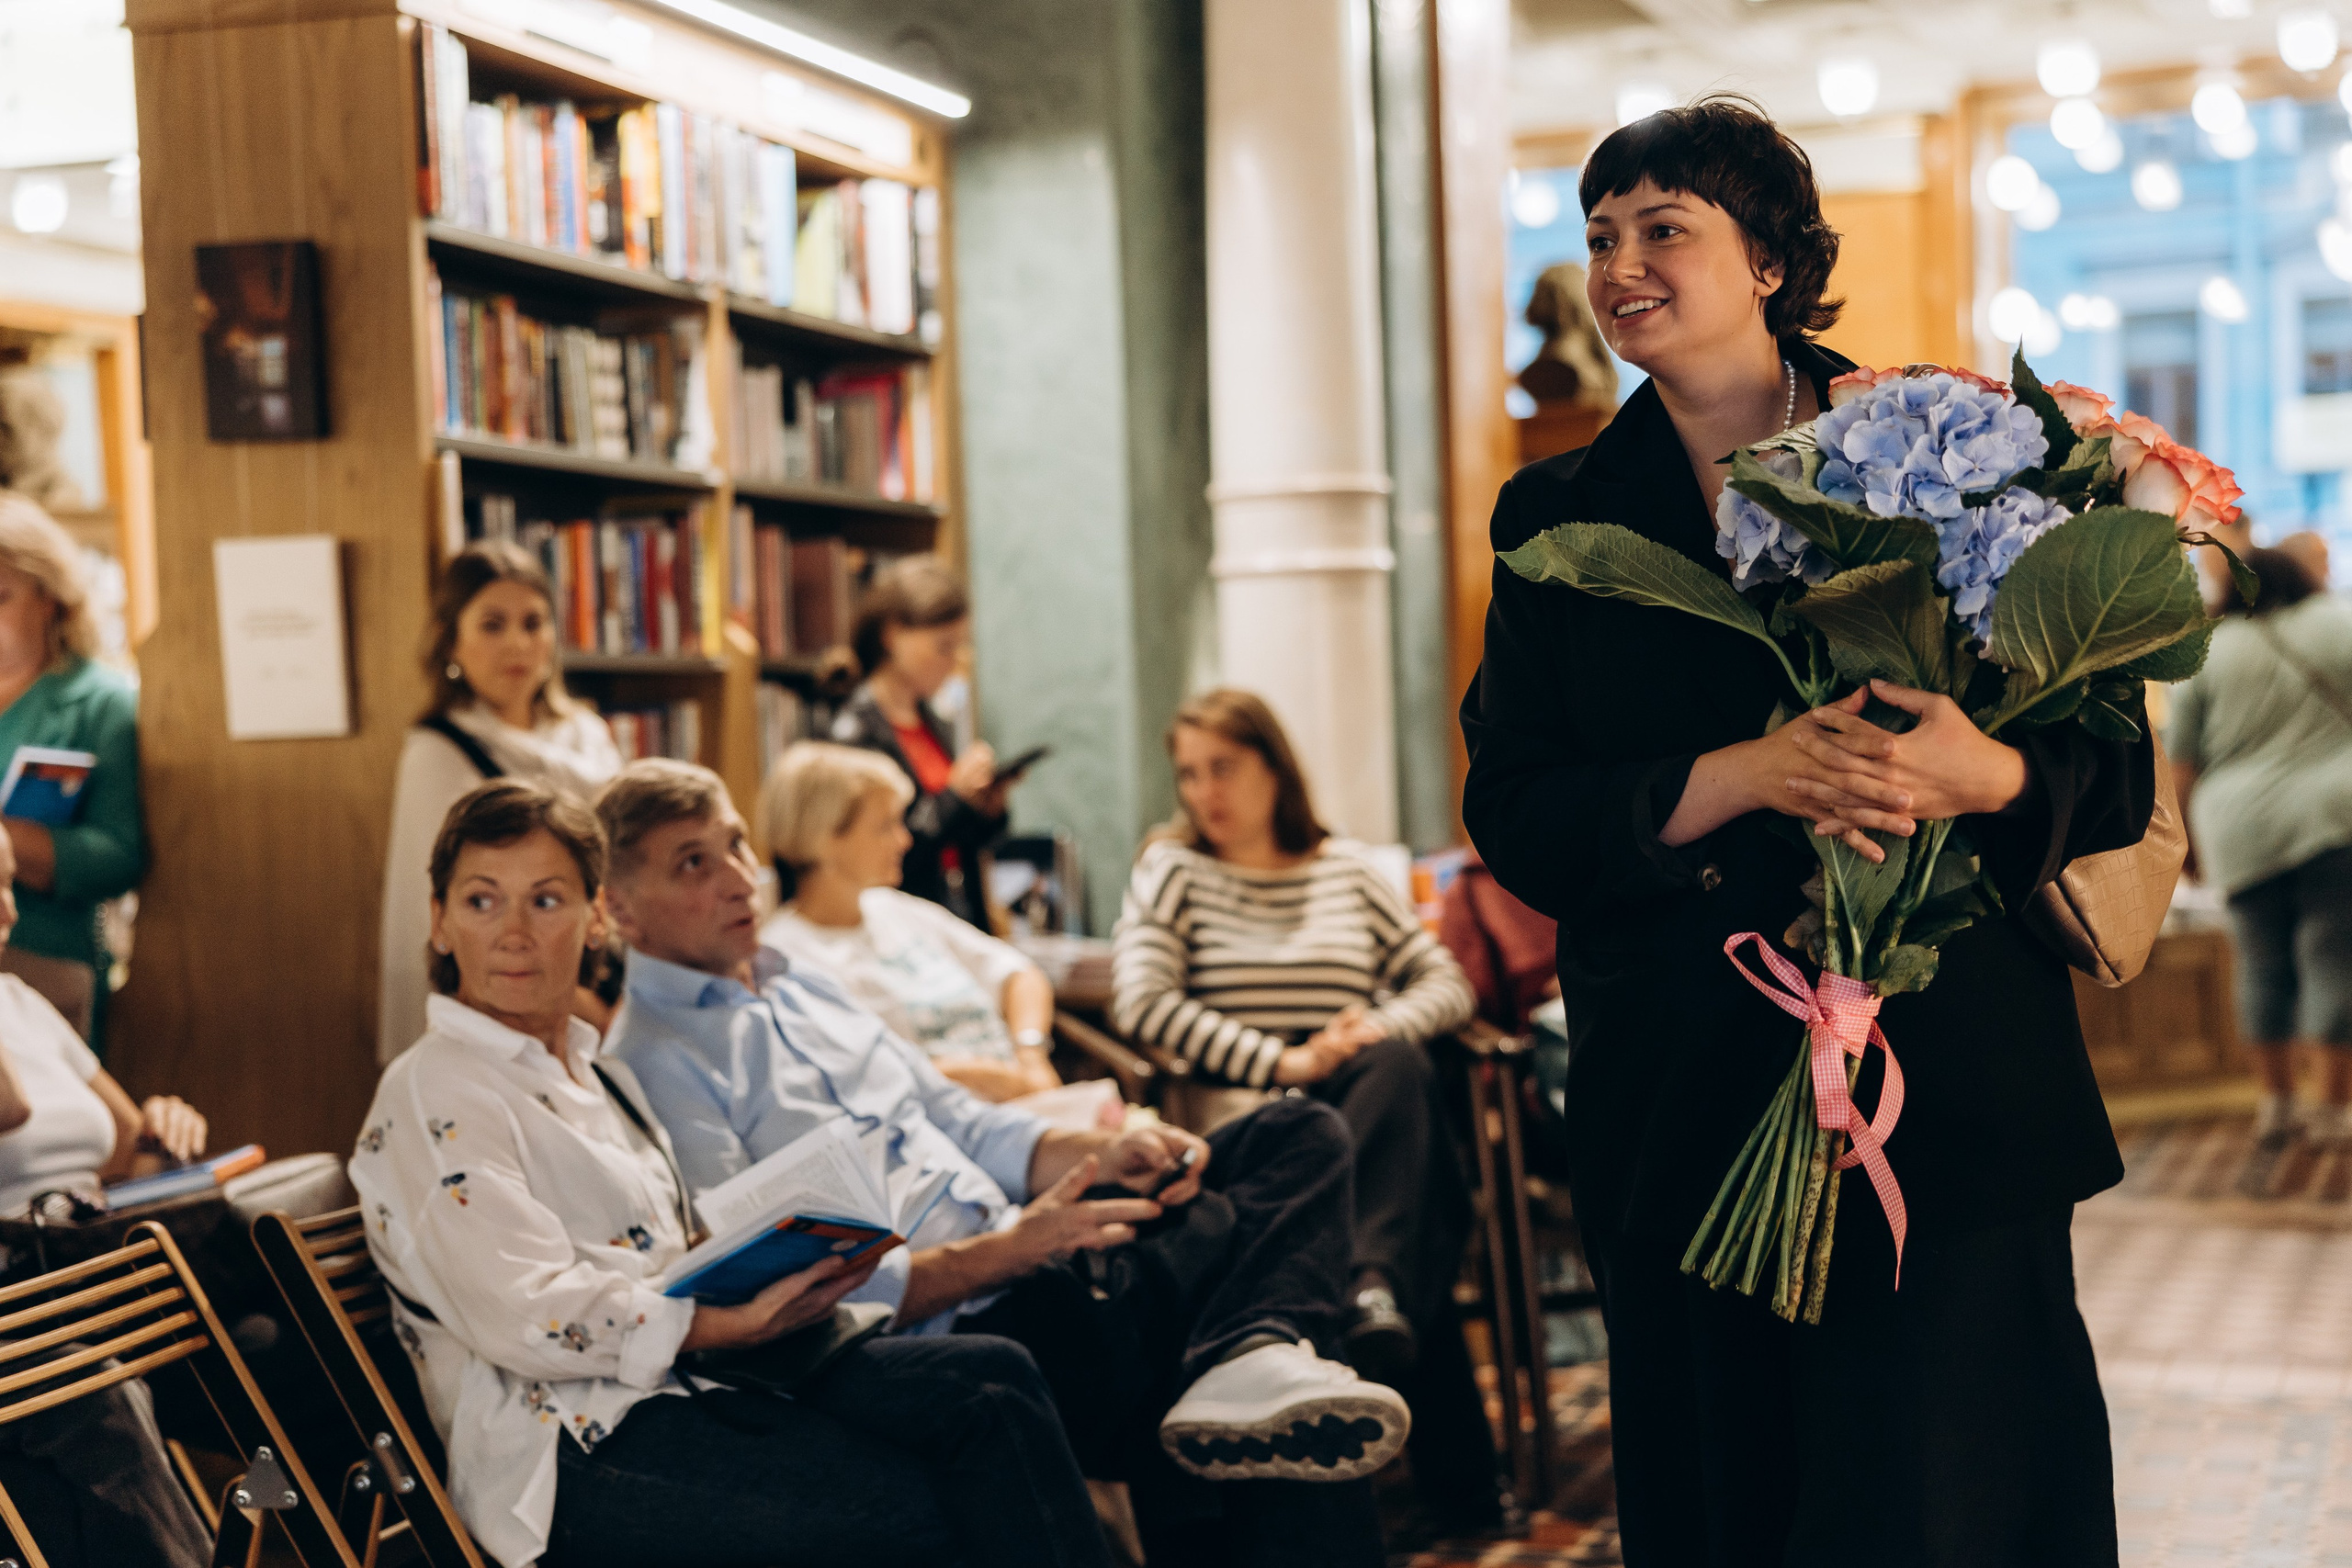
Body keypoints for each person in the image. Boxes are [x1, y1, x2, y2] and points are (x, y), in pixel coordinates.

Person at [1459, 97, 2154, 1567]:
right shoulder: (1556, 514)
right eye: (1600, 237)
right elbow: (1514, 806)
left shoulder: (1950, 449)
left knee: (1961, 1495)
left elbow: (2111, 767)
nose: (1622, 265)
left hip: (1953, 1092)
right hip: (1693, 1113)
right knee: (1738, 1505)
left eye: (1666, 228)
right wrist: (1745, 772)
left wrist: (1990, 776)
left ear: (1770, 257)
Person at [595, 759, 1408, 1568]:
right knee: (1275, 1345)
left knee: (1296, 1135)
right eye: (694, 863)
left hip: (1042, 1249)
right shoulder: (651, 1058)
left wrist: (1101, 1150)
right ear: (621, 910)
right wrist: (1015, 1249)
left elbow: (967, 1123)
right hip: (974, 1305)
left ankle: (1251, 1349)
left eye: (736, 844)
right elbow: (773, 1278)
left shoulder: (800, 981)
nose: (740, 878)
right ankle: (1250, 1350)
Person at [348, 779, 1112, 1568]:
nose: (513, 932)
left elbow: (665, 1248)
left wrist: (772, 1261)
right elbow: (528, 1314)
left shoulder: (597, 1072)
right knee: (922, 1507)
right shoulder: (435, 1088)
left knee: (991, 1381)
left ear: (596, 918)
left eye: (545, 901)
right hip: (569, 1450)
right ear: (439, 922)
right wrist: (718, 1323)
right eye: (481, 901)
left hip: (702, 1378)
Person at [1109, 689, 1501, 1537]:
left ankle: (1369, 1285)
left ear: (1273, 767)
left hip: (1361, 1106)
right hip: (1250, 1131)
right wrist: (1280, 1061)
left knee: (1397, 1066)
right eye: (1188, 773)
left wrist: (1368, 1029)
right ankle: (1376, 1302)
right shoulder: (1174, 871)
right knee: (1412, 1191)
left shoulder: (1349, 870)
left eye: (1224, 767)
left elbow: (1447, 983)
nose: (1204, 791)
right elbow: (1140, 1001)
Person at [377, 541, 621, 1063]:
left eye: (533, 623)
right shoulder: (438, 752)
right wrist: (572, 1004)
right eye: (492, 624)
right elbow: (433, 917)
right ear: (452, 642)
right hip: (508, 1007)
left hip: (610, 985)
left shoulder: (588, 737)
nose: (517, 643)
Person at [2170, 546, 2352, 1146]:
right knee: (2334, 960)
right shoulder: (2338, 623)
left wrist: (2189, 847)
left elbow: (2182, 762)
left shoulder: (2207, 649)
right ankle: (2332, 1107)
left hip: (2239, 826)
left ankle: (2276, 1104)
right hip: (2334, 817)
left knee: (2262, 964)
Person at [758, 740, 1060, 1102]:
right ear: (825, 838)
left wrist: (1030, 1055)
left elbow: (1021, 976)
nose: (904, 840)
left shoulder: (894, 908)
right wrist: (977, 1078)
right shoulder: (786, 953)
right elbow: (855, 1080)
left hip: (1021, 1104)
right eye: (885, 826)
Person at [0, 822, 204, 1217]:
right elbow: (11, 1107)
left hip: (98, 1248)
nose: (9, 911)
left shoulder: (20, 999)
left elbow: (131, 1158)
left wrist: (164, 1128)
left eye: (9, 884)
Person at [0, 494, 141, 1045]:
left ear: (51, 598)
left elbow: (119, 856)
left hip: (50, 959)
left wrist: (12, 841)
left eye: (1, 597)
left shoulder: (100, 704)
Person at [830, 558, 1012, 931]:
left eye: (959, 647)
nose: (953, 662)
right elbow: (876, 849)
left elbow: (954, 841)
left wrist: (986, 808)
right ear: (893, 636)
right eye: (943, 647)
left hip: (954, 916)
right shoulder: (854, 732)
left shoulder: (932, 721)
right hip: (899, 926)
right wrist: (956, 797)